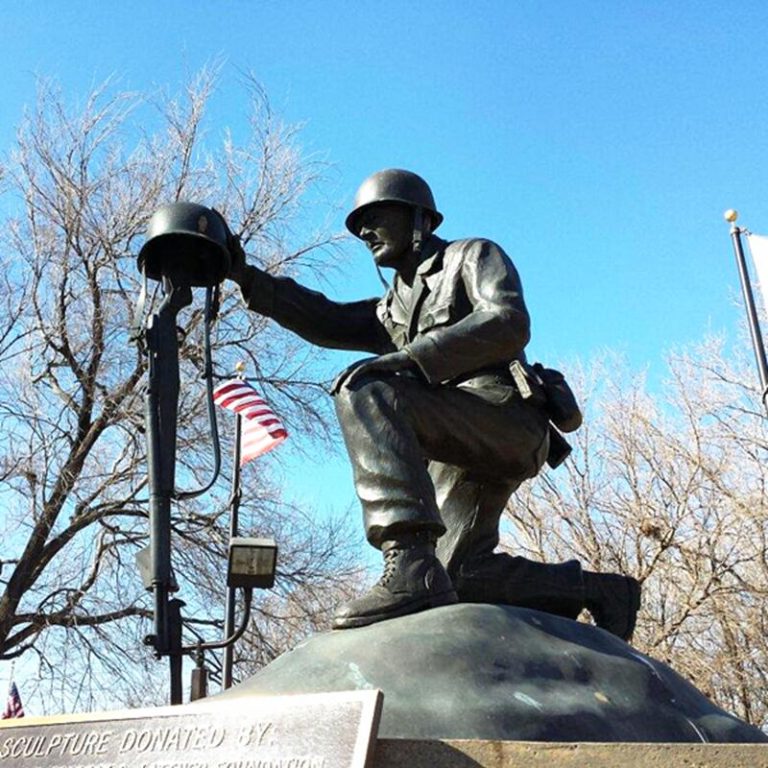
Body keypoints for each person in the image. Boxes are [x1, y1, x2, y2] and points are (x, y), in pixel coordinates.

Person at [228, 169, 640, 639]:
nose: (364, 232)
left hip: (503, 418)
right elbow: (328, 319)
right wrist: (244, 276)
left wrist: (407, 359)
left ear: (419, 219)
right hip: (451, 439)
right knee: (457, 577)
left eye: (375, 217)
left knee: (365, 388)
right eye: (359, 223)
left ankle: (405, 556)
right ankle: (598, 591)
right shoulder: (391, 306)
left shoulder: (471, 256)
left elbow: (507, 321)